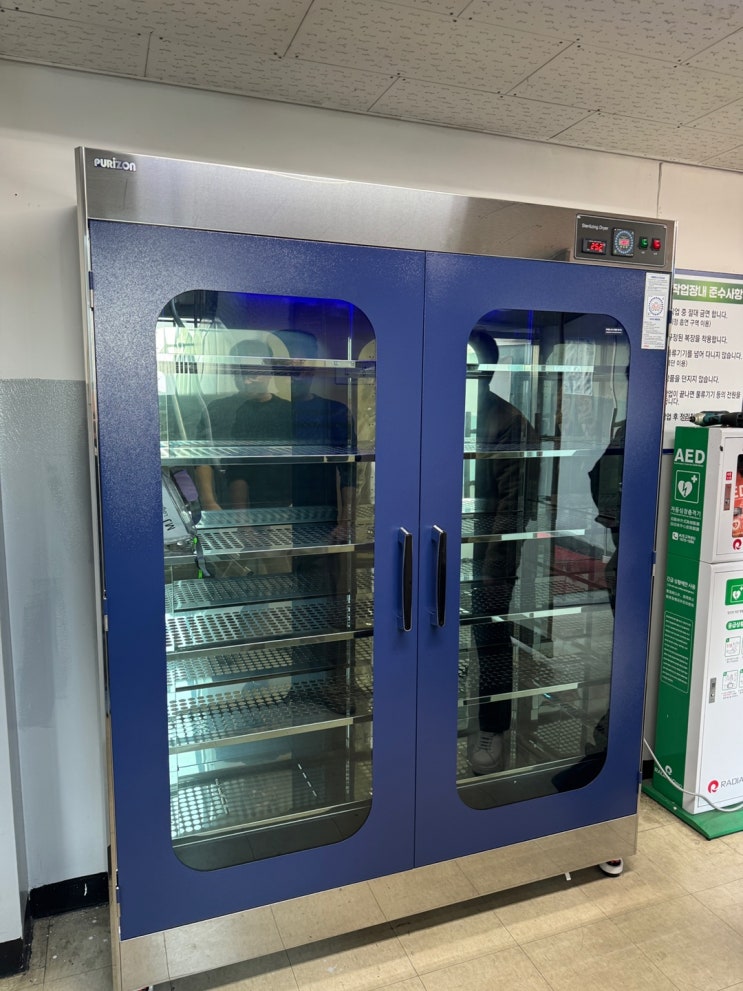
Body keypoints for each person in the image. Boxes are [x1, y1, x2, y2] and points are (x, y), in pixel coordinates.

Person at [468, 331, 539, 774]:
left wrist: (493, 569)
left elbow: (514, 507)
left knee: (490, 636)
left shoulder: (508, 422)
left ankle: (492, 727)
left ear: (487, 369)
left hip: (487, 553)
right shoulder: (435, 409)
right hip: (439, 545)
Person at [194, 338, 291, 512]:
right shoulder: (217, 409)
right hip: (226, 504)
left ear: (269, 371)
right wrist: (208, 501)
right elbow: (202, 457)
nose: (246, 381)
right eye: (239, 373)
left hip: (279, 505)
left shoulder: (288, 411)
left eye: (253, 374)